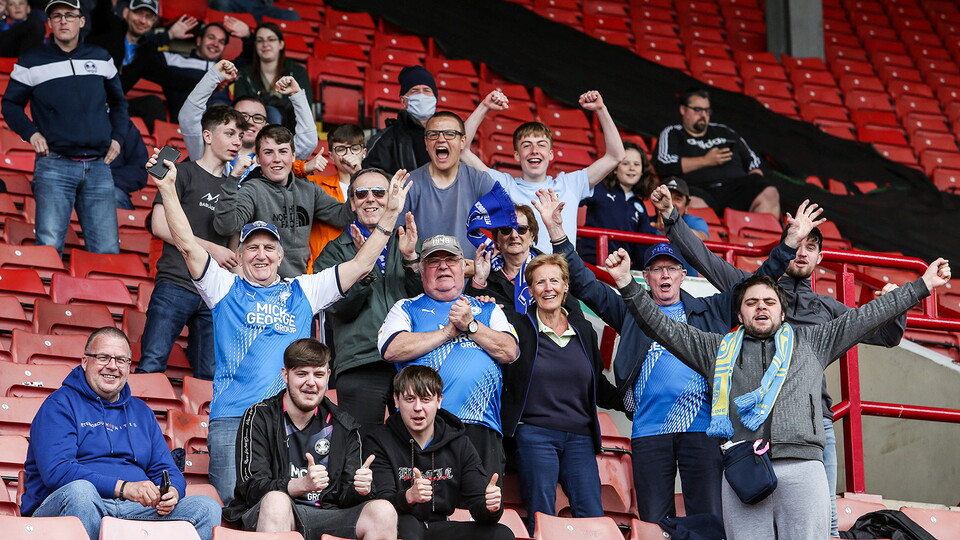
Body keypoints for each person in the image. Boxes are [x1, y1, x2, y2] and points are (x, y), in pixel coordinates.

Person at [605, 248, 951, 539]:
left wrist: (922, 286)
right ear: (739, 313)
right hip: (744, 471)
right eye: (751, 302)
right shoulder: (715, 348)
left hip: (802, 468)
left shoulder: (814, 341)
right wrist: (625, 283)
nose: (760, 307)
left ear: (782, 312)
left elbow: (865, 316)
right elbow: (661, 326)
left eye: (769, 301)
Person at [536, 186, 822, 524]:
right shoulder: (632, 310)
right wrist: (556, 231)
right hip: (648, 432)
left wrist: (788, 244)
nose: (665, 275)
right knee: (655, 524)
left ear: (683, 275)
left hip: (702, 429)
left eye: (672, 269)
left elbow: (757, 283)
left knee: (710, 520)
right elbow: (585, 283)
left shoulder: (711, 311)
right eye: (657, 269)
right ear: (647, 277)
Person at [150, 144, 411, 505]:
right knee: (235, 504)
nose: (261, 254)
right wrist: (167, 189)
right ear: (238, 256)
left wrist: (389, 217)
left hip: (287, 422)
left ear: (280, 255)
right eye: (252, 248)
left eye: (268, 248)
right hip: (233, 419)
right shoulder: (223, 286)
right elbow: (186, 245)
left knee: (285, 506)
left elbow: (361, 266)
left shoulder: (304, 289)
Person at [655, 187, 909, 536]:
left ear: (820, 257)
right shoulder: (753, 290)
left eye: (811, 247)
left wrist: (896, 306)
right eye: (798, 243)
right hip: (750, 431)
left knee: (825, 525)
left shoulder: (827, 309)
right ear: (786, 245)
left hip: (811, 428)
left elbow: (886, 336)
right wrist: (672, 219)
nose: (802, 252)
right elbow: (705, 259)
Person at [20, 327, 222, 540]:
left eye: (121, 360)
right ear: (85, 361)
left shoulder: (141, 412)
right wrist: (124, 488)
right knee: (80, 492)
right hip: (76, 505)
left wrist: (171, 491)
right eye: (103, 357)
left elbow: (165, 468)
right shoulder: (60, 405)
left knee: (206, 507)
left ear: (128, 366)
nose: (112, 366)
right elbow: (58, 472)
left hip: (134, 508)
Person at [223, 338, 398, 539]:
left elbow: (345, 496)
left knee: (383, 511)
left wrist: (362, 489)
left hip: (326, 514)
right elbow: (250, 487)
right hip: (274, 512)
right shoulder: (260, 417)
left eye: (318, 374)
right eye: (302, 374)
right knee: (276, 502)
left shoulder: (344, 425)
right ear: (285, 375)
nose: (311, 382)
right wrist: (299, 485)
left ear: (328, 377)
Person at [378, 235, 519, 478]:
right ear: (422, 272)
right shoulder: (406, 307)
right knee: (428, 508)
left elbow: (509, 351)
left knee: (483, 509)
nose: (443, 266)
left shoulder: (488, 308)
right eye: (433, 261)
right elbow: (392, 349)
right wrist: (447, 332)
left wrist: (470, 325)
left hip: (481, 426)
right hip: (423, 427)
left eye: (451, 260)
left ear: (463, 268)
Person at [504, 253, 625, 532]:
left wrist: (631, 401)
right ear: (531, 290)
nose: (548, 288)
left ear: (566, 286)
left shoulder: (584, 329)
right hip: (535, 434)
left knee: (592, 516)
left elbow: (598, 386)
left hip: (580, 438)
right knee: (542, 515)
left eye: (554, 281)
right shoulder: (518, 327)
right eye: (540, 282)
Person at [2, 0, 128, 255]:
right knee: (48, 248)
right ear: (49, 23)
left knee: (106, 251)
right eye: (57, 16)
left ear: (82, 21)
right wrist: (31, 133)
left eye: (70, 15)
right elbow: (10, 105)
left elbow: (119, 103)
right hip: (54, 165)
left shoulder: (101, 57)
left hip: (99, 167)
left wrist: (118, 138)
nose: (63, 21)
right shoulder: (31, 61)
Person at [136, 105, 248, 380]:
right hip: (176, 282)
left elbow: (233, 246)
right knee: (151, 364)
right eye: (230, 133)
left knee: (210, 378)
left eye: (241, 135)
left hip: (214, 291)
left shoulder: (236, 186)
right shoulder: (182, 173)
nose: (237, 141)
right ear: (207, 136)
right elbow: (159, 225)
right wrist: (213, 249)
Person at [314, 168, 421, 430]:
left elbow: (423, 300)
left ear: (390, 198)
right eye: (361, 193)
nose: (370, 199)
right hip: (361, 363)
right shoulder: (333, 251)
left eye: (379, 192)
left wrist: (411, 260)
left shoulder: (405, 239)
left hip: (409, 361)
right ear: (352, 203)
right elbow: (339, 308)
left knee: (412, 451)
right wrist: (363, 268)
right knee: (360, 450)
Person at [461, 88, 626, 252]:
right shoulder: (504, 186)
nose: (534, 150)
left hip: (561, 276)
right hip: (519, 274)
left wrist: (600, 109)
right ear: (517, 156)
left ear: (551, 154)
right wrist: (484, 106)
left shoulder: (570, 184)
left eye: (541, 145)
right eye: (527, 145)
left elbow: (616, 156)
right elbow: (461, 149)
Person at [366, 365, 515, 540]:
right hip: (400, 525)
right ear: (397, 401)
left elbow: (479, 505)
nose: (418, 408)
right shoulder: (379, 441)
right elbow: (380, 505)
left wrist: (492, 507)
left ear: (439, 401)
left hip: (441, 526)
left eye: (426, 399)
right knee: (409, 528)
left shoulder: (459, 443)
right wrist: (409, 496)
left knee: (501, 534)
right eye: (409, 399)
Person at [214, 125, 354, 278]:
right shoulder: (252, 190)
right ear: (258, 159)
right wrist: (233, 179)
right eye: (268, 152)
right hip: (263, 285)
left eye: (283, 151)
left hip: (302, 282)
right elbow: (226, 227)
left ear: (293, 156)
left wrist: (356, 179)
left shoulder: (309, 189)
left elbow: (343, 217)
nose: (277, 159)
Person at [654, 88, 779, 218]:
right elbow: (664, 165)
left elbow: (754, 163)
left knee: (769, 192)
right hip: (698, 190)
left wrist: (755, 181)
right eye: (697, 110)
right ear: (683, 110)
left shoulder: (724, 132)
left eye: (707, 111)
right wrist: (706, 160)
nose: (703, 115)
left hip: (735, 188)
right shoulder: (673, 133)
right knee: (690, 203)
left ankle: (761, 238)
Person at [179, 60, 317, 176]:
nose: (250, 122)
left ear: (266, 126)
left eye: (258, 118)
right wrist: (213, 76)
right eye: (242, 116)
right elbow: (188, 117)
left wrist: (296, 94)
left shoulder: (271, 158)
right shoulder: (208, 151)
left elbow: (308, 142)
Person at [87, 0, 200, 127]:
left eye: (149, 17)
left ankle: (156, 146)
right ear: (125, 13)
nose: (143, 21)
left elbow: (173, 79)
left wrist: (211, 82)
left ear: (153, 23)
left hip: (112, 108)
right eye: (139, 13)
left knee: (152, 103)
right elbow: (102, 9)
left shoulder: (145, 54)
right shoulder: (108, 29)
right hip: (84, 99)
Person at [401, 111, 497, 258]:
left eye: (450, 134)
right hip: (420, 276)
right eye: (433, 134)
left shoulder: (480, 180)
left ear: (462, 142)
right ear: (426, 143)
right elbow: (395, 237)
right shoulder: (409, 183)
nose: (441, 139)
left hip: (469, 277)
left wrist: (482, 266)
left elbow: (510, 224)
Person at [294, 123, 367, 267]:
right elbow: (280, 177)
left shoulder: (378, 187)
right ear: (331, 156)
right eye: (341, 149)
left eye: (354, 149)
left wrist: (358, 175)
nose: (348, 155)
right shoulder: (316, 184)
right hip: (324, 267)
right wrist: (303, 168)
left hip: (364, 266)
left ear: (364, 153)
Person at [577, 141, 659, 267]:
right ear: (614, 169)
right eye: (625, 163)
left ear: (642, 171)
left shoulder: (640, 206)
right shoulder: (598, 189)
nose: (631, 168)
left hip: (621, 267)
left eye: (636, 164)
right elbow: (570, 199)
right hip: (591, 262)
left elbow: (642, 248)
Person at [233, 23, 312, 130]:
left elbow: (305, 108)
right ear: (255, 45)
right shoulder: (244, 73)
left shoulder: (298, 72)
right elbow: (239, 108)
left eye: (271, 39)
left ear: (281, 44)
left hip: (292, 128)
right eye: (260, 40)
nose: (265, 44)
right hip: (252, 127)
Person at [363, 65, 437, 173]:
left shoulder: (450, 134)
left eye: (426, 90)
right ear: (403, 101)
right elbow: (372, 176)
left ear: (435, 98)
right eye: (414, 91)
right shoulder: (386, 139)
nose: (421, 95)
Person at [160, 22, 231, 117]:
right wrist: (169, 35)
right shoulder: (174, 61)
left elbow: (249, 60)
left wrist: (248, 37)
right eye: (211, 37)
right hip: (188, 124)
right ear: (199, 41)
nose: (216, 44)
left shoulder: (226, 69)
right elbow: (143, 50)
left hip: (222, 122)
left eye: (221, 42)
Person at [652, 176, 709, 276]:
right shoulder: (646, 222)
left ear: (687, 205)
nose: (671, 203)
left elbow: (703, 238)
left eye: (677, 199)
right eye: (666, 197)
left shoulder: (694, 221)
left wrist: (671, 228)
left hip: (688, 282)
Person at [110, 118, 149, 210]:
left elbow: (139, 172)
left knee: (112, 197)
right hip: (73, 183)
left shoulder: (125, 126)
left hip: (112, 187)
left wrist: (104, 179)